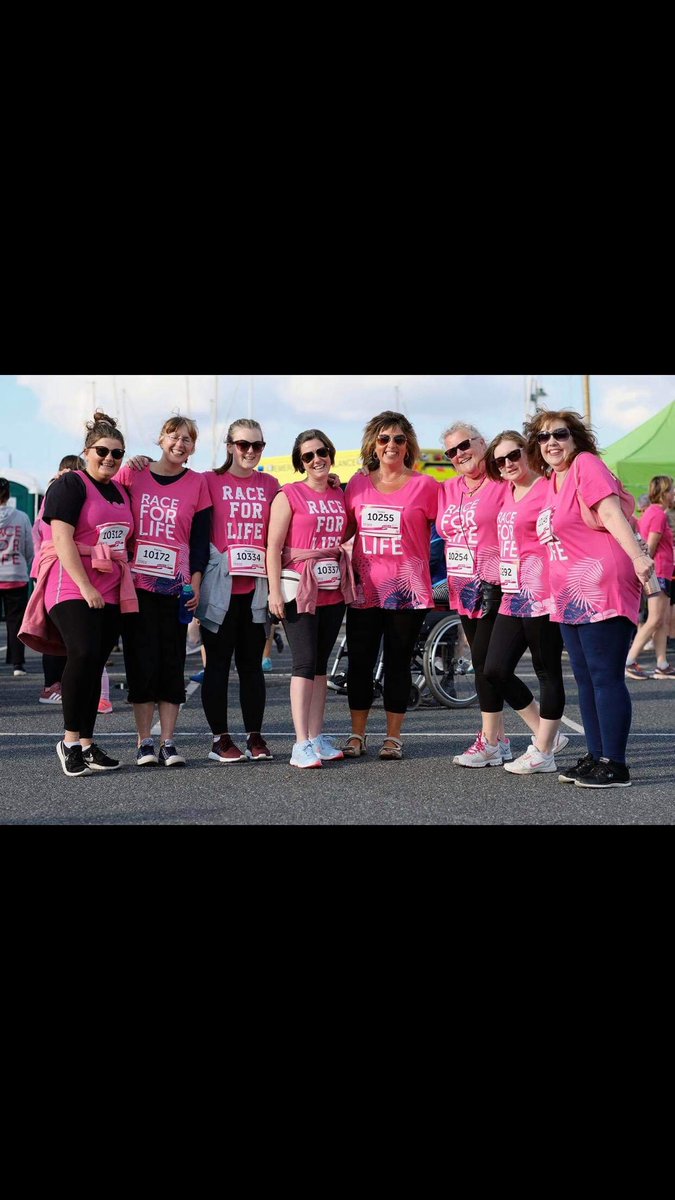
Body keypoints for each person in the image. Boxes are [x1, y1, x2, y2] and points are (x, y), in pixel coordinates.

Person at [525, 409, 652, 789]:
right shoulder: (552, 481)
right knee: (583, 677)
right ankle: (597, 755)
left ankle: (615, 763)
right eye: (543, 437)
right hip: (569, 593)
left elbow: (612, 514)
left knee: (604, 675)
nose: (551, 443)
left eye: (560, 435)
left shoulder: (586, 464)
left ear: (576, 439)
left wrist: (640, 558)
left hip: (602, 583)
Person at [20, 412, 137, 777]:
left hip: (111, 582)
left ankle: (87, 743)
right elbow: (60, 538)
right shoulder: (70, 484)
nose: (110, 458)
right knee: (83, 651)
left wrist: (140, 462)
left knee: (95, 662)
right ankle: (69, 741)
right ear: (87, 451)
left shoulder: (121, 489)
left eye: (118, 453)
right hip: (71, 580)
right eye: (103, 451)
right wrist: (85, 587)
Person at [437, 423, 542, 768]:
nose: (459, 454)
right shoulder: (447, 489)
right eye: (451, 451)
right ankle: (496, 741)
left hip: (496, 586)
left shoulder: (502, 483)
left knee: (490, 666)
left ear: (483, 443)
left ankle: (539, 733)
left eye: (464, 445)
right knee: (484, 667)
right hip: (461, 587)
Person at [342, 412, 437, 761]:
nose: (391, 445)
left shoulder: (427, 486)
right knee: (359, 664)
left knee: (398, 663)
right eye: (384, 439)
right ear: (373, 444)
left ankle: (393, 738)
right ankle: (357, 735)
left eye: (398, 439)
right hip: (364, 590)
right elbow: (341, 531)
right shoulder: (357, 484)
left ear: (408, 444)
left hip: (408, 592)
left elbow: (452, 529)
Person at [116, 417, 212, 767]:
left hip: (178, 588)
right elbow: (104, 500)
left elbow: (200, 539)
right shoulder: (133, 474)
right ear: (160, 438)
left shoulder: (198, 483)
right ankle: (144, 742)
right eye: (174, 436)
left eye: (188, 439)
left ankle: (169, 742)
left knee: (171, 664)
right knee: (141, 663)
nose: (180, 444)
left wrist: (196, 582)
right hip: (136, 586)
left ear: (193, 447)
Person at [483, 432, 568, 775]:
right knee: (494, 670)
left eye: (513, 455)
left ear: (528, 452)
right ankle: (546, 732)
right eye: (500, 461)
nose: (507, 464)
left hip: (544, 592)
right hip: (513, 593)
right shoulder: (505, 490)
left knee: (547, 671)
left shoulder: (549, 488)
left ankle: (543, 750)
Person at [268, 428, 353, 768]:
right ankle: (300, 742)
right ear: (300, 462)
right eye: (308, 456)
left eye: (321, 452)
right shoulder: (288, 494)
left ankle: (316, 737)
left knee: (320, 667)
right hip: (297, 587)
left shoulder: (339, 493)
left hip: (332, 587)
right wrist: (274, 591)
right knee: (303, 664)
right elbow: (272, 547)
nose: (317, 459)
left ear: (330, 454)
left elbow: (348, 531)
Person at [199, 420, 280, 763]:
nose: (250, 451)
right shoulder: (208, 481)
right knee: (217, 666)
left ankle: (255, 735)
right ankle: (220, 738)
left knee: (252, 667)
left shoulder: (272, 484)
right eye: (243, 444)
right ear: (229, 445)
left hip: (255, 590)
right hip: (219, 590)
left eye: (257, 445)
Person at [32, 456, 85, 705]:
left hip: (50, 565)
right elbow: (48, 533)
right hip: (54, 566)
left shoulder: (55, 490)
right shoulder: (58, 491)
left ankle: (57, 684)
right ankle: (51, 685)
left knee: (63, 633)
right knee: (57, 632)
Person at [625, 475, 675, 680]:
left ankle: (662, 664)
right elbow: (651, 547)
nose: (674, 494)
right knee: (654, 619)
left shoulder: (653, 513)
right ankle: (629, 661)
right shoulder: (658, 515)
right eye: (672, 490)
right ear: (664, 493)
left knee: (662, 621)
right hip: (658, 573)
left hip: (662, 573)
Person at [0, 478, 35, 676]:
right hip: (15, 573)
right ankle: (17, 664)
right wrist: (27, 564)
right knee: (16, 621)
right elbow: (29, 547)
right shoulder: (21, 517)